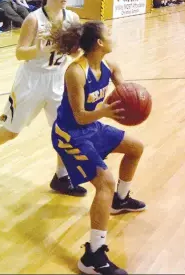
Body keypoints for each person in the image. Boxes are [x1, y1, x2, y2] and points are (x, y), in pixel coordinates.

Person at [0, 0, 87, 197]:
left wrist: (77, 52)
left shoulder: (73, 18)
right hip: (31, 80)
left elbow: (75, 51)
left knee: (64, 132)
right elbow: (20, 53)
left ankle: (61, 177)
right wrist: (39, 50)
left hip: (58, 80)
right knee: (12, 131)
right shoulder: (34, 19)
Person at [51, 21, 146, 274]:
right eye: (109, 34)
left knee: (136, 147)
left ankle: (120, 200)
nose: (113, 37)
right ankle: (92, 255)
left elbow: (125, 93)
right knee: (104, 181)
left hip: (92, 128)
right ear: (99, 43)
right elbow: (80, 115)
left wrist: (135, 101)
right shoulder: (75, 72)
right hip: (70, 135)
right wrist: (105, 111)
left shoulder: (111, 67)